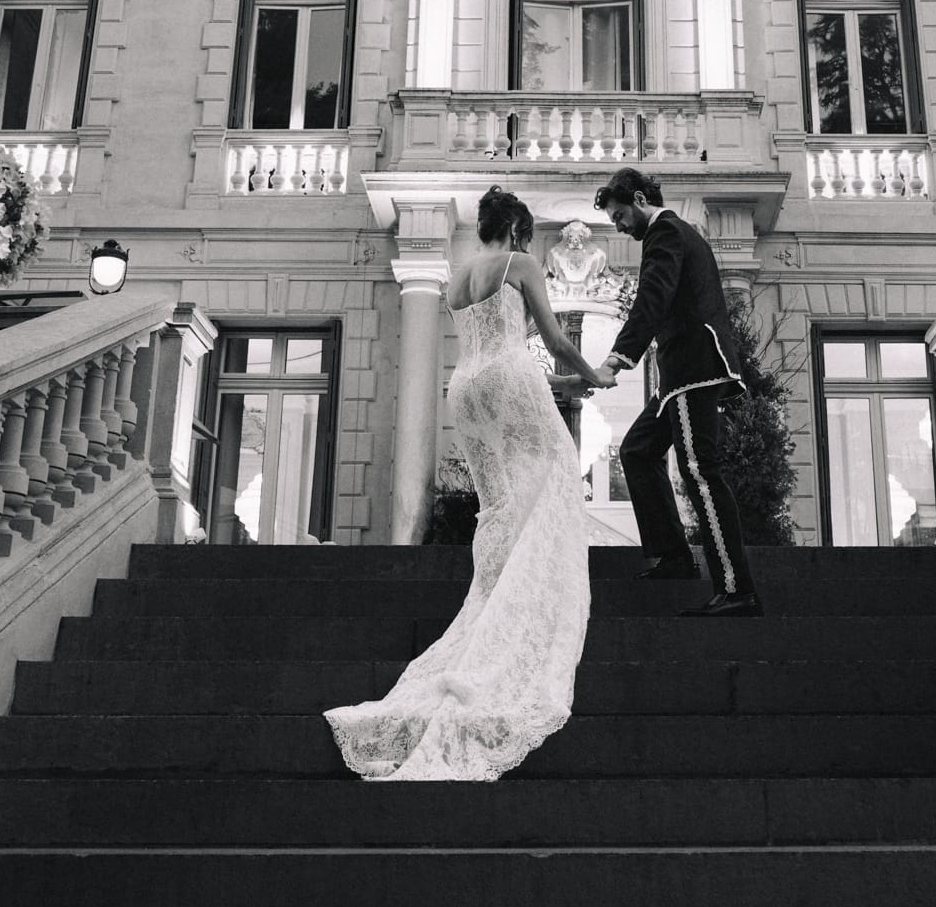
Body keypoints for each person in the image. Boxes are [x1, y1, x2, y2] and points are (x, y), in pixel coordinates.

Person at [324, 186, 601, 780]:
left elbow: (493, 360)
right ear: (521, 231)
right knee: (555, 473)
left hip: (466, 388)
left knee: (499, 504)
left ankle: (494, 593)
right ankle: (527, 602)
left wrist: (558, 389)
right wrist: (592, 374)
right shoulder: (520, 263)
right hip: (509, 377)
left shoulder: (455, 277)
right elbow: (546, 345)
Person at [592, 168, 763, 618]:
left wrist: (617, 359)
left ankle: (735, 587)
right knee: (637, 450)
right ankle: (674, 557)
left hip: (693, 369)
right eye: (614, 221)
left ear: (641, 199)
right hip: (679, 374)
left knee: (700, 471)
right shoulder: (673, 233)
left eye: (621, 215)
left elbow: (654, 297)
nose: (620, 226)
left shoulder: (665, 231)